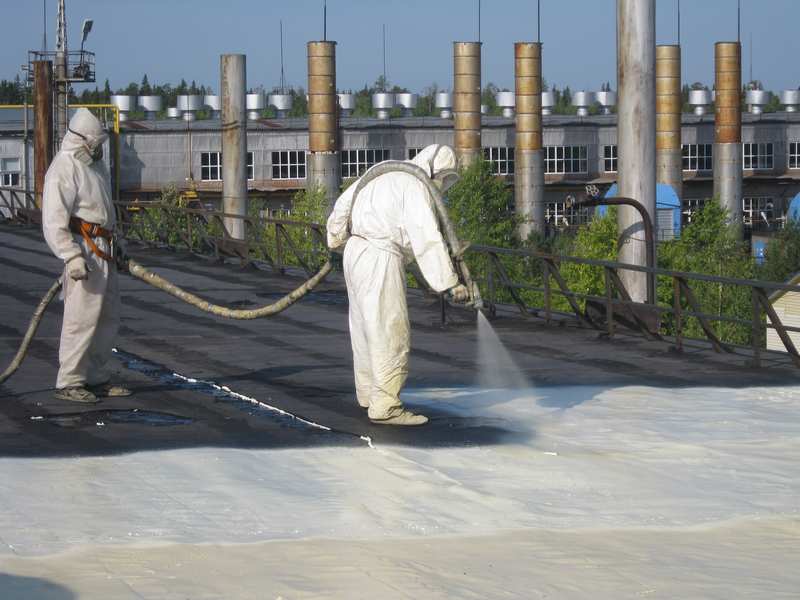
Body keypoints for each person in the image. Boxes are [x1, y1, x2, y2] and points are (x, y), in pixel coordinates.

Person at [327, 144, 469, 426]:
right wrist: (450, 283)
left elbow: (343, 203)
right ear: (433, 170)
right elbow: (427, 239)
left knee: (365, 329)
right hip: (380, 255)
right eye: (443, 178)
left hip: (355, 251)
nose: (442, 186)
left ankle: (369, 394)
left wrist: (335, 237)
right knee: (389, 330)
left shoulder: (383, 170)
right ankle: (386, 406)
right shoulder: (415, 186)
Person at [42, 108, 131, 403]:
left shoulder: (94, 166)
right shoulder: (64, 168)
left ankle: (96, 377)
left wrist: (119, 245)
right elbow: (53, 220)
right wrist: (70, 255)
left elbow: (105, 211)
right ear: (83, 140)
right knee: (81, 318)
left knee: (107, 317)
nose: (99, 148)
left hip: (104, 248)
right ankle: (70, 381)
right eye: (96, 143)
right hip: (85, 250)